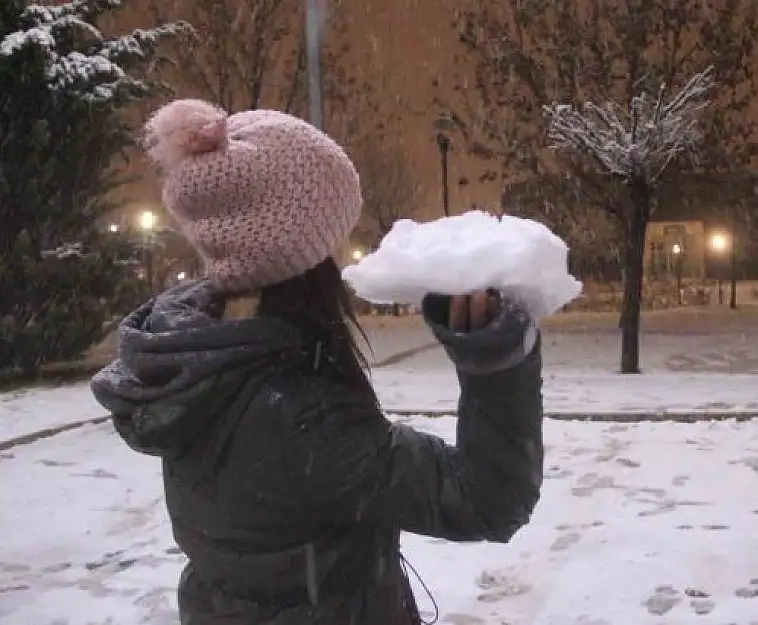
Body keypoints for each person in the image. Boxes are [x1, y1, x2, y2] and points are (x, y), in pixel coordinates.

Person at [90, 99, 544, 625]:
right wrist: (496, 360)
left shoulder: (195, 363)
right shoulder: (301, 418)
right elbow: (486, 499)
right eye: (333, 238)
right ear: (302, 257)